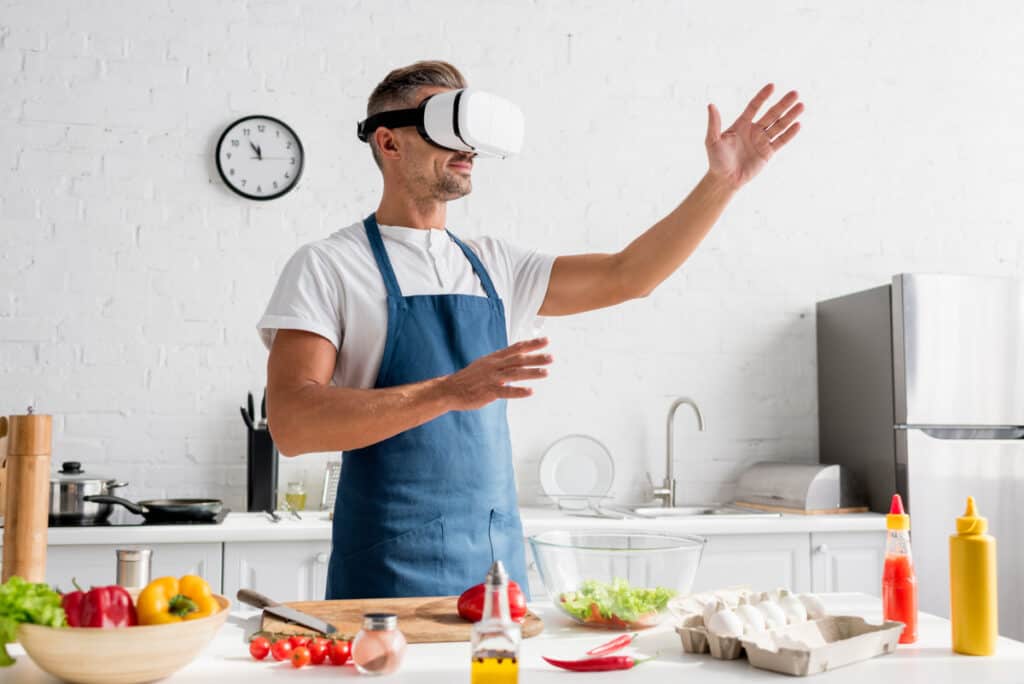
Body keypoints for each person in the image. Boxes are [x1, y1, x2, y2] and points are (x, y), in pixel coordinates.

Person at [258, 60, 803, 600]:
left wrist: (721, 184)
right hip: (385, 574)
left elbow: (629, 275)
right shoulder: (328, 266)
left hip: (496, 570)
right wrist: (449, 391)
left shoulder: (496, 265)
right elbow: (293, 423)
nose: (469, 148)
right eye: (448, 126)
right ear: (389, 143)